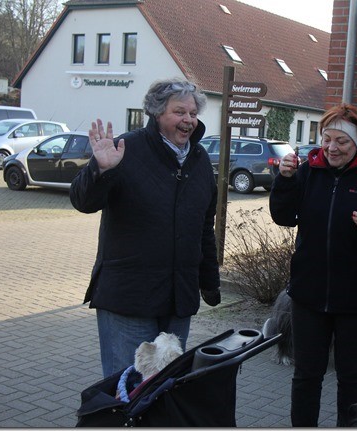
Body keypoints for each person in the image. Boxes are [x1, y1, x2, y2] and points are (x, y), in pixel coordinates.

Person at [269, 103, 357, 426]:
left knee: (352, 378)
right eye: (327, 139)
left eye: (342, 142)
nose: (332, 148)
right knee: (306, 375)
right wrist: (285, 180)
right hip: (308, 295)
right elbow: (283, 216)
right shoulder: (308, 171)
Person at [70, 78, 222, 378]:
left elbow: (204, 227)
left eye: (193, 113)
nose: (188, 120)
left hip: (179, 299)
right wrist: (100, 170)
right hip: (129, 298)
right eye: (180, 112)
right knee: (128, 386)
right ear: (156, 113)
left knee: (167, 387)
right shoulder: (125, 149)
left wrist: (209, 282)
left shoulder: (200, 160)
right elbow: (83, 202)